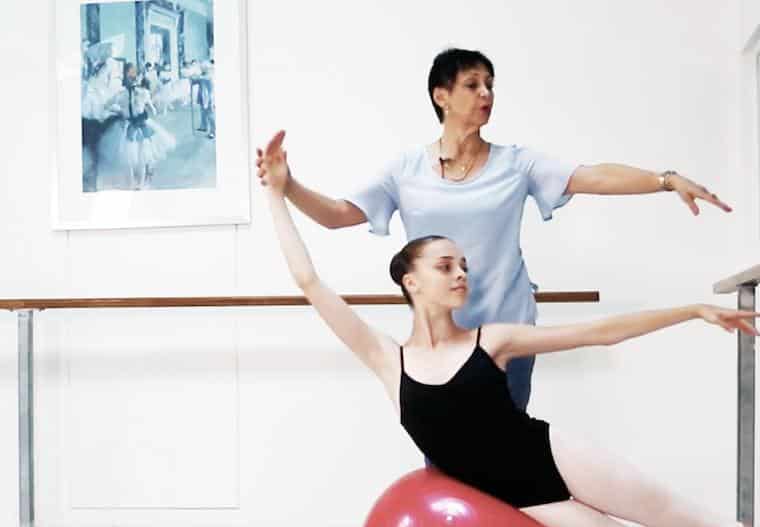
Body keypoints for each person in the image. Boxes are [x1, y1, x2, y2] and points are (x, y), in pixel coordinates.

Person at [257, 136, 760, 527]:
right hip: (534, 506)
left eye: (464, 266)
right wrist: (279, 194)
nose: (461, 273)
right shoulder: (386, 360)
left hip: (556, 457)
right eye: (445, 265)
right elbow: (309, 279)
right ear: (409, 279)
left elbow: (597, 333)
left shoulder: (492, 339)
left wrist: (691, 310)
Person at [256, 47, 733, 416]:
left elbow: (594, 176)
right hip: (439, 338)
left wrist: (665, 180)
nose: (486, 94)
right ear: (441, 96)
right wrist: (288, 185)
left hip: (508, 333)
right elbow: (339, 214)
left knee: (502, 455)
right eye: (472, 84)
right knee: (444, 453)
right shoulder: (406, 170)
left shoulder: (516, 163)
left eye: (490, 84)